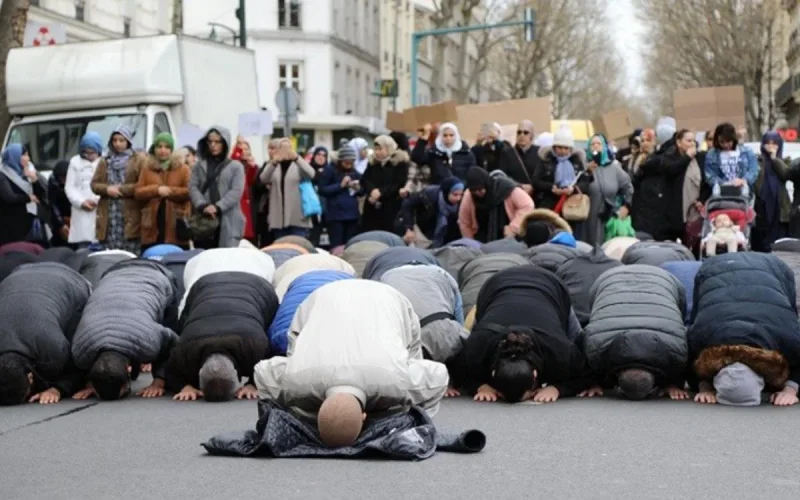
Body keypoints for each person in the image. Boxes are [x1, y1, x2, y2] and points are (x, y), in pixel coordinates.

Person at [253, 279, 449, 448]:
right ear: (364, 416)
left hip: (336, 297)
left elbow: (261, 370)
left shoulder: (395, 383)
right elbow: (263, 371)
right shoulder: (296, 383)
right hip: (339, 296)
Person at [453, 266, 591, 403]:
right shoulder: (479, 343)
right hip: (496, 286)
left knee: (580, 340)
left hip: (550, 287)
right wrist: (480, 386)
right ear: (493, 372)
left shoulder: (559, 349)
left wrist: (557, 389)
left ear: (535, 374)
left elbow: (586, 371)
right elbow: (457, 368)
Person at [689, 252, 800, 406]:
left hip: (766, 267)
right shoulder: (701, 335)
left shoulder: (787, 336)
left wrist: (790, 389)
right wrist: (704, 387)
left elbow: (690, 357)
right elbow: (690, 358)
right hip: (719, 266)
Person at [71, 260, 179, 400]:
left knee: (164, 334)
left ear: (128, 370)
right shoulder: (80, 349)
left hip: (158, 275)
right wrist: (92, 383)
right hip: (112, 274)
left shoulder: (147, 339)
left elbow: (173, 341)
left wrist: (159, 381)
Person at [579, 265, 689, 400]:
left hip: (660, 279)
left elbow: (680, 313)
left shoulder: (676, 347)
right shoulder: (596, 346)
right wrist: (672, 384)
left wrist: (594, 383)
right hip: (611, 278)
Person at [166, 271, 280, 401]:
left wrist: (255, 384)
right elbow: (171, 369)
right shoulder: (185, 348)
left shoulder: (255, 345)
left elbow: (274, 358)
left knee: (271, 327)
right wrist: (186, 386)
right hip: (206, 285)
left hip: (259, 289)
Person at [0, 262, 92, 405]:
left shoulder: (52, 346)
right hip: (21, 271)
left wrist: (57, 388)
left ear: (31, 377)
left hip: (73, 281)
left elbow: (80, 366)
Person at [189, 126, 246, 248]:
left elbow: (236, 191)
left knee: (225, 260)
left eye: (217, 142)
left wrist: (218, 207)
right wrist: (202, 205)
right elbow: (193, 187)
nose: (213, 145)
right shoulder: (199, 166)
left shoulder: (236, 167)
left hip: (229, 220)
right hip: (204, 222)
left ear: (224, 143)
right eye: (210, 142)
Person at [134, 133, 191, 252]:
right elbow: (138, 192)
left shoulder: (183, 168)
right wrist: (156, 190)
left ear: (172, 149)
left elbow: (190, 191)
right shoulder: (147, 168)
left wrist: (169, 191)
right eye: (159, 146)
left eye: (166, 147)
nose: (162, 150)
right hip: (152, 225)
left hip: (176, 223)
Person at [91, 125, 141, 254]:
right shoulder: (105, 161)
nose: (118, 144)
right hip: (110, 209)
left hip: (129, 210)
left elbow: (141, 185)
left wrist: (123, 189)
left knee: (130, 248)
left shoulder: (137, 160)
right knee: (111, 249)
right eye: (115, 140)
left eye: (121, 140)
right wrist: (107, 189)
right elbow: (94, 184)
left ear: (128, 141)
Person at [458, 166, 533, 243]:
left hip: (507, 233)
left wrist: (513, 227)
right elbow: (464, 222)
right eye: (474, 190)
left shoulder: (507, 188)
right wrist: (470, 242)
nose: (478, 192)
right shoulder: (469, 195)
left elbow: (527, 205)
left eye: (480, 189)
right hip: (481, 235)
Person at [259, 138, 316, 239]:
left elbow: (311, 173)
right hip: (278, 218)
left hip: (297, 217)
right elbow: (263, 178)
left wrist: (297, 158)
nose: (285, 151)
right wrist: (274, 162)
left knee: (298, 248)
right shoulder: (274, 164)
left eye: (288, 148)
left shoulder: (298, 164)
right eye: (282, 148)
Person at [583, 134, 633, 247]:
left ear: (604, 147)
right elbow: (577, 187)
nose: (595, 146)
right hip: (588, 219)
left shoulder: (614, 168)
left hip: (610, 217)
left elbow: (628, 187)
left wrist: (626, 206)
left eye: (599, 144)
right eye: (592, 144)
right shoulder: (584, 167)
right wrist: (587, 172)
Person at [533, 129, 592, 216]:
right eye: (560, 147)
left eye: (566, 148)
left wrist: (573, 189)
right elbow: (536, 181)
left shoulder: (576, 162)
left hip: (572, 206)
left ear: (570, 149)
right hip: (549, 203)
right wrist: (551, 188)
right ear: (554, 147)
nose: (563, 151)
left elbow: (585, 182)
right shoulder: (546, 161)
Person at [0, 144, 49, 247]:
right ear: (15, 157)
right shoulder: (3, 176)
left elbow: (41, 195)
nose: (28, 158)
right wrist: (28, 198)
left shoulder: (28, 172)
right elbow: (9, 197)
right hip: (11, 226)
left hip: (30, 223)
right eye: (25, 155)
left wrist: (34, 179)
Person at [360, 135, 409, 233]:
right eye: (376, 149)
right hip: (372, 206)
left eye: (380, 149)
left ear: (388, 148)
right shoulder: (372, 163)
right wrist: (372, 191)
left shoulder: (399, 163)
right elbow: (365, 179)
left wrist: (381, 192)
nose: (377, 152)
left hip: (391, 206)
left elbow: (398, 183)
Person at [752, 130, 791, 252]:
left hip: (779, 207)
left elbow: (785, 174)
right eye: (768, 143)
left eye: (774, 143)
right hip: (761, 207)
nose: (771, 146)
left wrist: (775, 159)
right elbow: (754, 182)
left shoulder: (785, 161)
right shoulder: (757, 161)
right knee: (761, 241)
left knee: (778, 241)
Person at [399, 176, 464, 248]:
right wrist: (409, 228)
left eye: (461, 195)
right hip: (421, 232)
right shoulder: (429, 195)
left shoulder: (461, 204)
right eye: (455, 194)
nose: (458, 198)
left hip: (440, 240)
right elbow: (408, 204)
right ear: (446, 192)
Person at [318, 145, 362, 249]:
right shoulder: (329, 170)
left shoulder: (355, 172)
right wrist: (340, 185)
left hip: (352, 215)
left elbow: (362, 190)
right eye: (346, 162)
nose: (348, 165)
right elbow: (323, 189)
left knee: (350, 245)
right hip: (335, 215)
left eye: (351, 162)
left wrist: (358, 188)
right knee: (336, 246)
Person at [65, 131, 104, 248]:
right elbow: (69, 187)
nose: (88, 156)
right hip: (81, 212)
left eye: (92, 153)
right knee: (83, 247)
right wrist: (81, 202)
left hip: (100, 209)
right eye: (85, 153)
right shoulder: (75, 162)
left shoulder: (105, 161)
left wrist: (97, 200)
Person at [704, 122, 759, 197]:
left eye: (728, 141)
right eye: (722, 142)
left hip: (744, 193)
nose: (725, 145)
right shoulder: (712, 154)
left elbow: (754, 171)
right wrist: (725, 184)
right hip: (720, 193)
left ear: (734, 138)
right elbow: (710, 175)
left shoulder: (747, 152)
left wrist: (743, 180)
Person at [410, 122, 476, 183]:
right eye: (445, 135)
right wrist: (423, 139)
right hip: (439, 190)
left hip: (460, 191)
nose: (448, 138)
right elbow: (416, 158)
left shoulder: (467, 153)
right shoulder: (434, 152)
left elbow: (472, 175)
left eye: (451, 135)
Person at [231, 138, 260, 245]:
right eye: (241, 149)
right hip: (238, 204)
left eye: (247, 149)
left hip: (249, 205)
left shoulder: (250, 165)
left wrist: (252, 167)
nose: (245, 151)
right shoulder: (234, 163)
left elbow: (251, 181)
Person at [48, 160, 72, 247]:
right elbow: (54, 205)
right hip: (61, 217)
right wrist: (61, 223)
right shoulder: (53, 182)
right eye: (61, 179)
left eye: (65, 178)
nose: (63, 181)